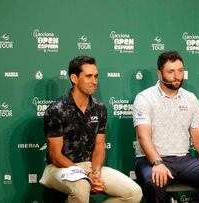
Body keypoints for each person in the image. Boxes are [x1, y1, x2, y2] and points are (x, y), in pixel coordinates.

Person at [39, 55, 142, 203]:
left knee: (133, 193)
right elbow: (55, 156)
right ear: (74, 79)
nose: (94, 81)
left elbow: (99, 146)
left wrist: (96, 172)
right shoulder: (56, 109)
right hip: (58, 168)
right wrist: (86, 175)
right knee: (82, 186)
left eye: (96, 76)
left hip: (90, 167)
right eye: (88, 76)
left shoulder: (100, 109)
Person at [132, 50, 199, 203]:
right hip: (149, 160)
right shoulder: (144, 98)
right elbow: (143, 136)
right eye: (171, 72)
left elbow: (198, 134)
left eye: (180, 71)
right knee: (154, 181)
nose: (177, 76)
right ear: (160, 74)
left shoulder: (190, 98)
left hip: (184, 161)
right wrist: (157, 163)